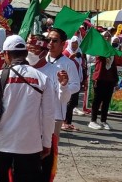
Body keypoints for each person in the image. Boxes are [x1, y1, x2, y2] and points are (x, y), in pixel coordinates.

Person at [0, 35, 57, 182]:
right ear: (24, 53)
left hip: (0, 142)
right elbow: (49, 115)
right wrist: (46, 144)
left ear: (7, 54)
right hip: (29, 144)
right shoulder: (42, 78)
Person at [39, 28, 80, 182]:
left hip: (56, 113)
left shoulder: (68, 63)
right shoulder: (40, 59)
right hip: (36, 111)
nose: (50, 43)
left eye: (55, 41)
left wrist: (63, 87)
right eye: (48, 40)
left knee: (49, 149)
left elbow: (76, 85)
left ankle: (47, 177)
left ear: (63, 44)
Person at [89, 31, 119, 130]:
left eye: (109, 36)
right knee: (97, 100)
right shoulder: (99, 48)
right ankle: (93, 121)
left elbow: (113, 66)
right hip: (100, 77)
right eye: (105, 36)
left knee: (106, 101)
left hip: (109, 79)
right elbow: (99, 59)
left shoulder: (112, 50)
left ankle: (103, 120)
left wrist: (116, 80)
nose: (107, 37)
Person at [62, 36, 85, 132]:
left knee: (74, 102)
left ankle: (69, 122)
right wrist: (70, 59)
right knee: (69, 102)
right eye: (73, 42)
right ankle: (65, 122)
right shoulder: (66, 53)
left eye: (76, 42)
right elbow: (63, 65)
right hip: (69, 81)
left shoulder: (79, 53)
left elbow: (82, 66)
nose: (75, 44)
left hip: (77, 80)